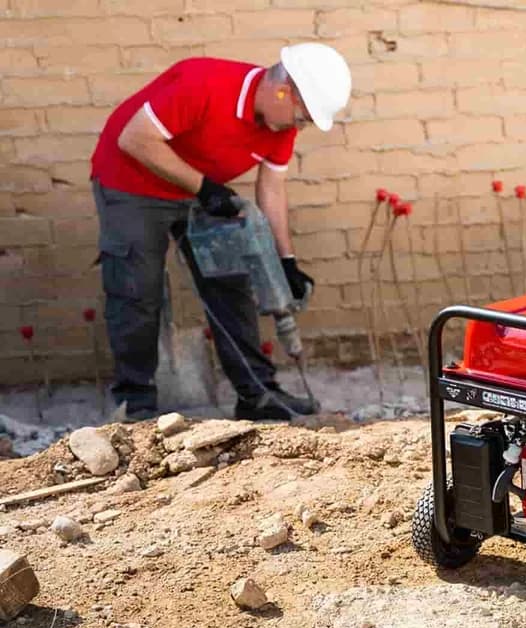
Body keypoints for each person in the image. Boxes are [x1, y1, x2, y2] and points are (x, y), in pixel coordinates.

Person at [90, 43, 351, 420]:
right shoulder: (204, 84)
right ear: (284, 90)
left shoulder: (279, 124)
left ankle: (257, 395)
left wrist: (286, 261)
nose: (299, 126)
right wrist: (205, 188)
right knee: (136, 289)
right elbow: (134, 139)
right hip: (131, 182)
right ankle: (136, 403)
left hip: (198, 189)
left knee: (230, 283)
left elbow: (272, 190)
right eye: (302, 117)